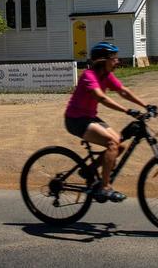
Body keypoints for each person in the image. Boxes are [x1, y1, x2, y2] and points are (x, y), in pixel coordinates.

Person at [64, 41, 153, 202]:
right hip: (75, 120)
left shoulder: (107, 76)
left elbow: (124, 91)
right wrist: (127, 110)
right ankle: (104, 188)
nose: (117, 61)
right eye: (114, 58)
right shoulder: (88, 76)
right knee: (112, 144)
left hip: (90, 118)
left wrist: (146, 105)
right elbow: (102, 98)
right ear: (102, 60)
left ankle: (89, 171)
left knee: (119, 145)